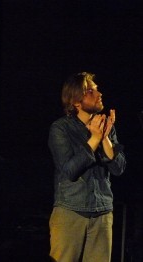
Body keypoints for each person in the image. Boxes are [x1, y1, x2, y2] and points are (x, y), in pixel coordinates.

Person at [48, 72, 126, 261]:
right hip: (71, 211)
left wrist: (105, 137)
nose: (99, 93)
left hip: (102, 212)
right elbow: (70, 170)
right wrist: (94, 139)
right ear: (76, 101)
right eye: (91, 90)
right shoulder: (61, 128)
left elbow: (119, 168)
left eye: (97, 89)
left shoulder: (106, 126)